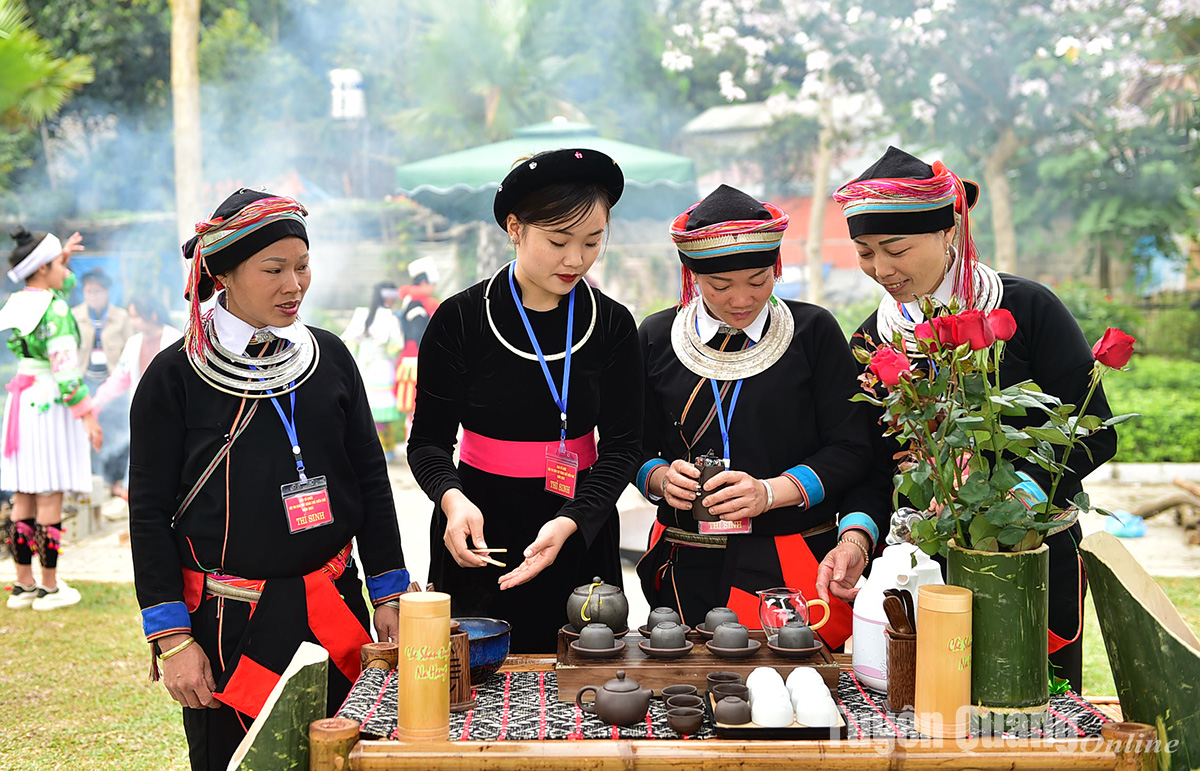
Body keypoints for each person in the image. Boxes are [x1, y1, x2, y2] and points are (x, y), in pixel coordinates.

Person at [816, 146, 1115, 690]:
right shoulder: (871, 340)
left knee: (1025, 706)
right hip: (918, 568)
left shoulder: (1025, 310)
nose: (881, 270)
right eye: (864, 253)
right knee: (925, 709)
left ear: (948, 231)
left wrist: (1005, 496)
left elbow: (1093, 431)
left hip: (1028, 556)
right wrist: (857, 539)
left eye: (895, 248)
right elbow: (870, 464)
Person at [128, 189, 408, 771]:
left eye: (302, 266)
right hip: (229, 623)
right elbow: (149, 511)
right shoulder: (174, 374)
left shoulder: (329, 357)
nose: (294, 285)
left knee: (344, 757)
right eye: (273, 269)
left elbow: (370, 481)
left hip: (333, 605)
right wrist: (172, 639)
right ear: (223, 273)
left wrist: (388, 592)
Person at [407, 148, 643, 653]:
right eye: (558, 241)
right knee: (475, 689)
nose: (576, 259)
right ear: (515, 228)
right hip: (477, 528)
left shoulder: (613, 324)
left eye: (592, 241)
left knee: (585, 686)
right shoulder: (460, 319)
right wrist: (452, 502)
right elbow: (427, 443)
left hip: (579, 521)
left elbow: (625, 444)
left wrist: (574, 519)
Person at [634, 184, 872, 648]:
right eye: (720, 286)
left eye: (759, 280)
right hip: (687, 562)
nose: (741, 299)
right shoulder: (657, 336)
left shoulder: (814, 331)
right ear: (692, 276)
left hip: (794, 557)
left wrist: (769, 492)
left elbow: (852, 446)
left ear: (777, 268)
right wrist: (661, 478)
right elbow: (630, 446)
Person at [1, 228, 104, 611]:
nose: (67, 272)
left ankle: (23, 583)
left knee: (23, 494)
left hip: (21, 398)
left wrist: (60, 257)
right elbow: (64, 369)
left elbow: (61, 282)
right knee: (49, 492)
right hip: (49, 398)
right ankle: (49, 586)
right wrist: (88, 415)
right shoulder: (57, 308)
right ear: (44, 267)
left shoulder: (19, 301)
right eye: (61, 264)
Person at [92, 295, 183, 498]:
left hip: (171, 413)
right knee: (141, 464)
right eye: (131, 316)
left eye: (137, 316)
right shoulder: (134, 343)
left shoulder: (174, 339)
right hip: (142, 413)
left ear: (152, 314)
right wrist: (96, 402)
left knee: (170, 461)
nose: (132, 322)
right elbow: (120, 379)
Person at [72, 267, 134, 497]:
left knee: (116, 432)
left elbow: (130, 346)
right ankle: (91, 481)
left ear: (107, 291)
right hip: (86, 382)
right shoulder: (75, 315)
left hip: (113, 383)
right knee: (88, 431)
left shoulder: (121, 316)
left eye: (97, 291)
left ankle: (114, 482)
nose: (93, 295)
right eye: (89, 291)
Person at [340, 281, 405, 455]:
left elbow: (349, 343)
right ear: (389, 298)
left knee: (368, 412)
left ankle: (376, 449)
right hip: (383, 368)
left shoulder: (361, 315)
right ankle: (387, 448)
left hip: (364, 368)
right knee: (384, 413)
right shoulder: (390, 318)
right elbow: (396, 346)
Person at [393, 256, 440, 423]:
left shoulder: (410, 301)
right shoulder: (418, 305)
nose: (433, 288)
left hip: (409, 358)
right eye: (432, 284)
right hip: (416, 360)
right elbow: (419, 335)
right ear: (423, 283)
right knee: (417, 405)